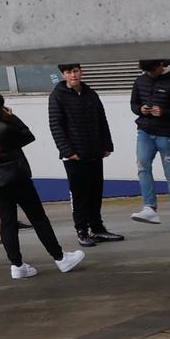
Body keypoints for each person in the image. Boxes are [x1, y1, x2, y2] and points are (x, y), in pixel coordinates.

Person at [0, 92, 84, 279]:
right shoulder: (5, 127)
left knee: (8, 223)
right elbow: (28, 135)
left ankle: (17, 265)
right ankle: (60, 258)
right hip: (17, 179)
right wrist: (12, 116)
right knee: (38, 218)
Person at [48, 63, 122, 245]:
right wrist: (68, 151)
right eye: (68, 72)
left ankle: (97, 229)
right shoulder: (57, 96)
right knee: (80, 195)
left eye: (75, 71)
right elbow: (56, 125)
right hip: (74, 156)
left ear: (81, 72)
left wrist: (106, 145)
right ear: (63, 75)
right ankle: (82, 231)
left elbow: (101, 120)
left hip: (94, 152)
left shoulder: (91, 94)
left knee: (95, 193)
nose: (73, 75)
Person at [128, 58, 170, 232]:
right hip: (144, 132)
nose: (148, 74)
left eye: (151, 71)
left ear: (160, 66)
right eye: (145, 71)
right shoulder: (140, 80)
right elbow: (133, 104)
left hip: (168, 135)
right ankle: (150, 208)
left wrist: (164, 112)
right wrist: (140, 109)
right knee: (142, 166)